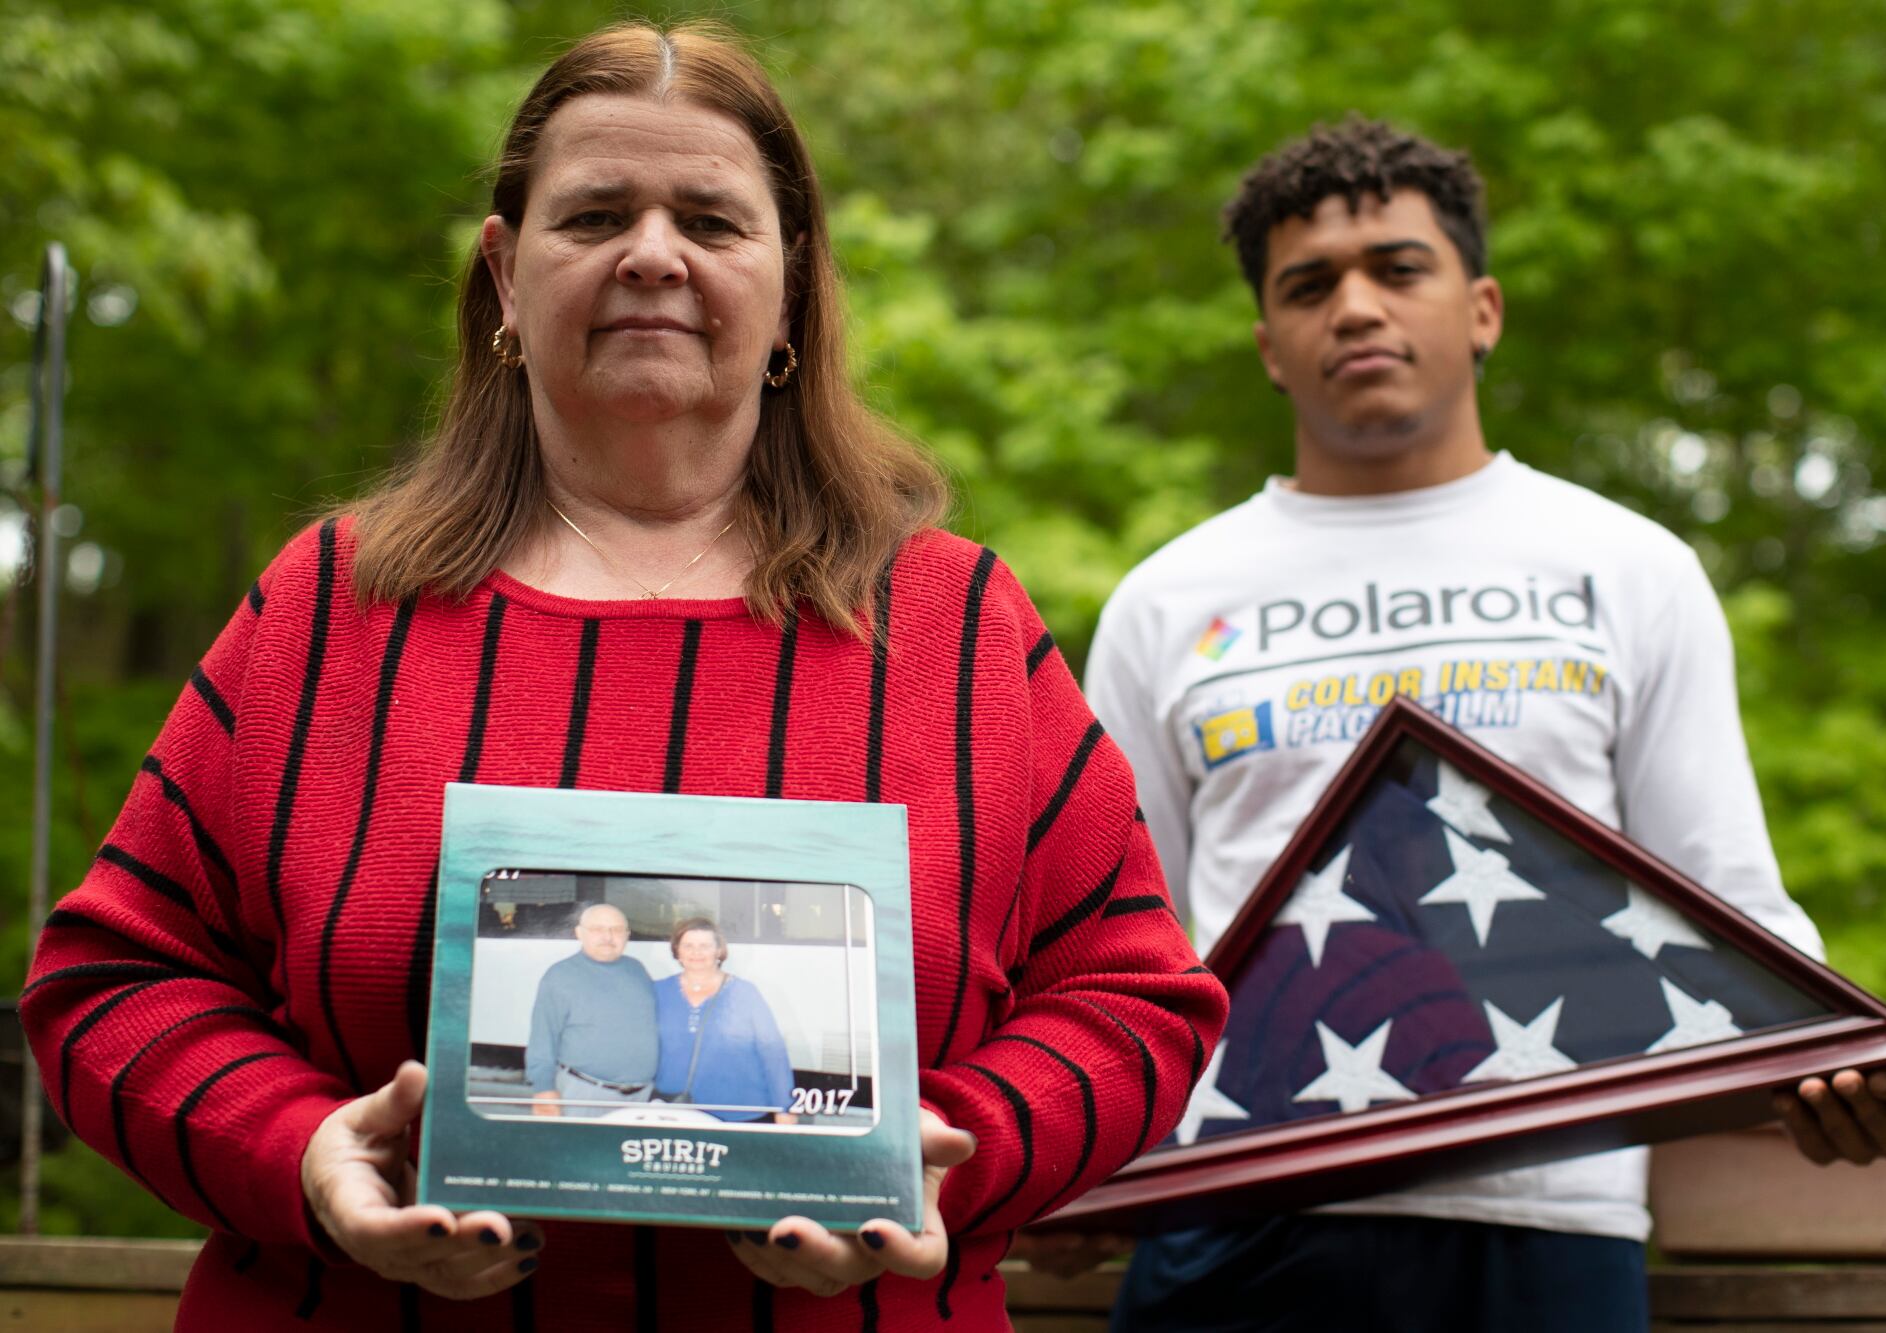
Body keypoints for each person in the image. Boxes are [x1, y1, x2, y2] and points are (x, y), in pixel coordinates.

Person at [19, 20, 1226, 1329]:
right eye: (595, 214)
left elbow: (1133, 1001)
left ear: (792, 288)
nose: (653, 254)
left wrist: (950, 1146)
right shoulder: (331, 608)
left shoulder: (956, 624)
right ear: (503, 278)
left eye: (711, 220)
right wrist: (299, 1149)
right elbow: (109, 987)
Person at [1076, 116, 1886, 1332]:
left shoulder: (1626, 567)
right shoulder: (1165, 599)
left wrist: (1846, 1047)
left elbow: (1725, 896)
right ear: (1268, 343)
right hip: (1231, 1219)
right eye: (1308, 285)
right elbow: (1123, 944)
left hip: (1549, 1223)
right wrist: (1071, 1158)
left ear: (1479, 307)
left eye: (1398, 267)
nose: (1357, 307)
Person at [650, 917, 795, 1123]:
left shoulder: (744, 993)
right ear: (677, 951)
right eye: (688, 945)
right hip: (675, 1112)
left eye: (705, 946)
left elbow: (773, 1053)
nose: (696, 952)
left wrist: (785, 1109)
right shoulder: (657, 991)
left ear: (718, 951)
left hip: (739, 1112)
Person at [524, 903, 658, 1117]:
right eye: (597, 929)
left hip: (640, 1098)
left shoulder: (637, 969)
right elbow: (543, 1037)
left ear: (627, 935)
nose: (608, 936)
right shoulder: (560, 976)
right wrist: (543, 1088)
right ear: (579, 933)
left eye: (616, 929)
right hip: (584, 1095)